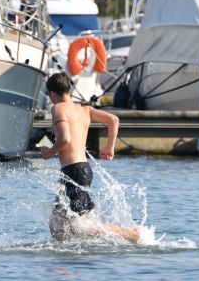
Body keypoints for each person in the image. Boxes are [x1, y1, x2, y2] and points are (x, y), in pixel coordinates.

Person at [39, 71, 144, 241]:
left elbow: (65, 139)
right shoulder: (85, 109)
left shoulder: (57, 108)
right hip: (81, 170)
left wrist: (48, 153)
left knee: (79, 227)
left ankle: (130, 234)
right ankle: (68, 258)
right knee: (57, 223)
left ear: (52, 94)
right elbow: (113, 120)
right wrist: (110, 148)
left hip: (73, 171)